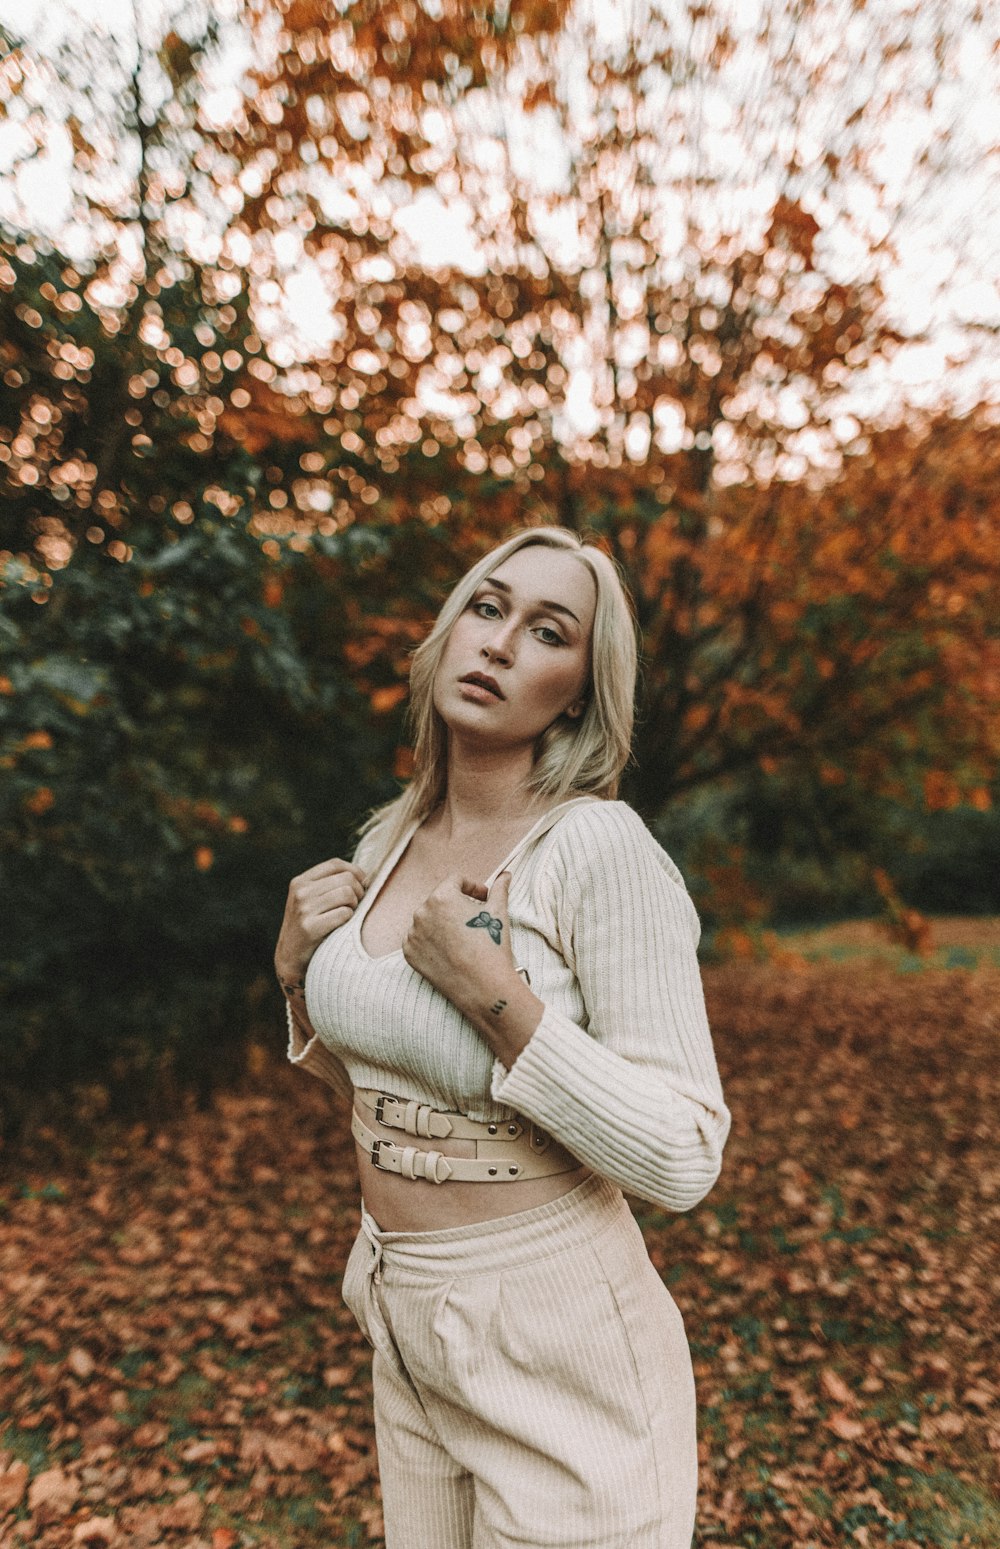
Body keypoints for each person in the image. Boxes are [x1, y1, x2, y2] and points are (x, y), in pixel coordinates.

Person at [274, 525, 731, 1549]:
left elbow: (684, 1152)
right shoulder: (386, 841)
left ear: (576, 690)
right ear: (446, 634)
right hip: (404, 1308)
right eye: (486, 608)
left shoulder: (597, 849)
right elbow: (398, 1088)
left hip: (555, 1327)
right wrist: (294, 976)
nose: (500, 642)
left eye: (546, 629)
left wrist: (497, 996)